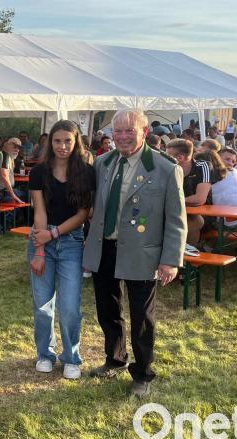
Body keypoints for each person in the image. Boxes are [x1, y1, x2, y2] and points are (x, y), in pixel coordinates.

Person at [82, 108, 186, 397]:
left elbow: (176, 218)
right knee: (108, 310)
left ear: (144, 132)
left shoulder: (165, 168)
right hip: (105, 248)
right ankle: (114, 359)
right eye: (119, 131)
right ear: (111, 134)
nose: (124, 136)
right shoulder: (102, 162)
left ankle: (142, 374)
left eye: (130, 130)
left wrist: (170, 259)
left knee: (142, 316)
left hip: (143, 253)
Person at [27, 120, 95, 379]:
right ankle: (45, 354)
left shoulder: (87, 173)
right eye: (57, 141)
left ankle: (71, 357)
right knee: (42, 305)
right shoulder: (39, 172)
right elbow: (40, 211)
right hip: (41, 239)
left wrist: (53, 234)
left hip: (71, 241)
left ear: (76, 142)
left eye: (68, 141)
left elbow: (83, 214)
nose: (63, 146)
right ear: (49, 143)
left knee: (69, 306)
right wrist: (41, 249)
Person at [165, 139, 211, 246]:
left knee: (193, 221)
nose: (165, 159)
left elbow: (200, 199)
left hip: (202, 213)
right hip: (176, 211)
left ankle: (187, 258)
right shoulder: (168, 169)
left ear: (180, 157)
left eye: (167, 156)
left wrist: (172, 200)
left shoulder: (202, 166)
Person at [0, 137, 26, 204]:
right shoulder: (5, 156)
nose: (17, 150)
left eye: (19, 148)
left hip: (1, 192)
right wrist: (13, 195)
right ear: (8, 145)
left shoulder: (5, 155)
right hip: (2, 193)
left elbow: (5, 173)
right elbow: (4, 175)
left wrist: (18, 175)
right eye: (15, 147)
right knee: (28, 194)